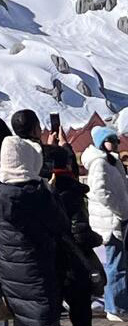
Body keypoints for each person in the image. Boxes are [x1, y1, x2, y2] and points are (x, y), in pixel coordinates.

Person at [0, 136, 69, 326]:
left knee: (23, 317)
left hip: (11, 273)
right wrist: (51, 192)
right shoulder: (35, 195)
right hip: (37, 272)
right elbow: (60, 224)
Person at [51, 144, 103, 326]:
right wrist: (96, 239)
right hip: (73, 261)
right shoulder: (71, 191)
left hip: (50, 260)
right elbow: (80, 232)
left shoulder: (40, 189)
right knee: (80, 310)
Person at [84, 126, 128, 320]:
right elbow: (102, 192)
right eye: (112, 140)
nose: (116, 144)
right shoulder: (99, 163)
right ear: (102, 142)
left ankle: (118, 303)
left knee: (118, 262)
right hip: (111, 221)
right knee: (115, 264)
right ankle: (114, 306)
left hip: (116, 218)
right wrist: (120, 209)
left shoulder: (110, 161)